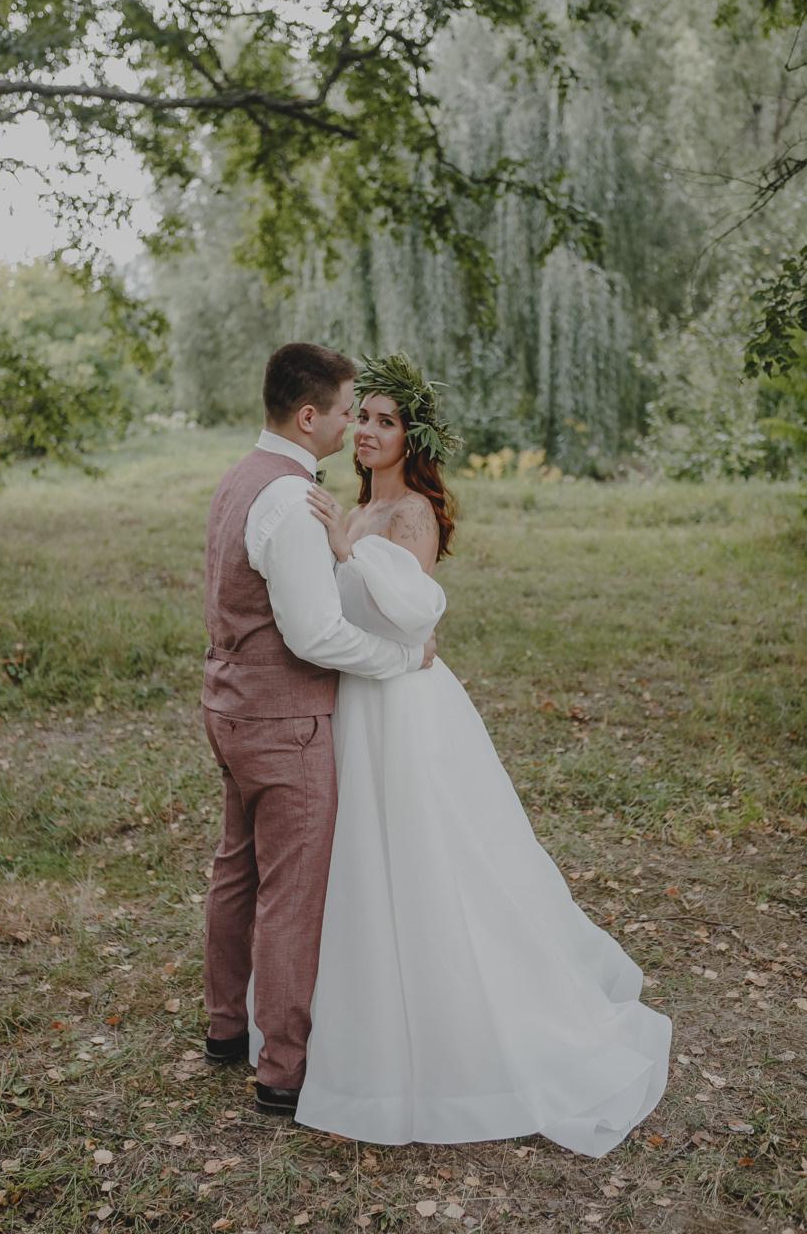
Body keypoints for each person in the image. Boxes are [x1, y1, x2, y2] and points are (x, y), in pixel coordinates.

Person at [284, 351, 672, 1157]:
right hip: (356, 701)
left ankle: (458, 1025)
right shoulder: (347, 510)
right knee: (357, 862)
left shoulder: (411, 514)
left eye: (385, 422)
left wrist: (349, 553)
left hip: (406, 706)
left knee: (430, 862)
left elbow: (416, 615)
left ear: (410, 439)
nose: (366, 430)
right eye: (363, 415)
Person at [201, 343, 435, 1118]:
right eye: (344, 411)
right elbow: (314, 637)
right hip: (284, 721)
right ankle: (282, 1069)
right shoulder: (291, 499)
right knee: (290, 895)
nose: (351, 425)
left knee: (236, 871)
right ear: (309, 417)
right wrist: (398, 659)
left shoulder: (241, 478)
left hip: (230, 707)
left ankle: (224, 1026)